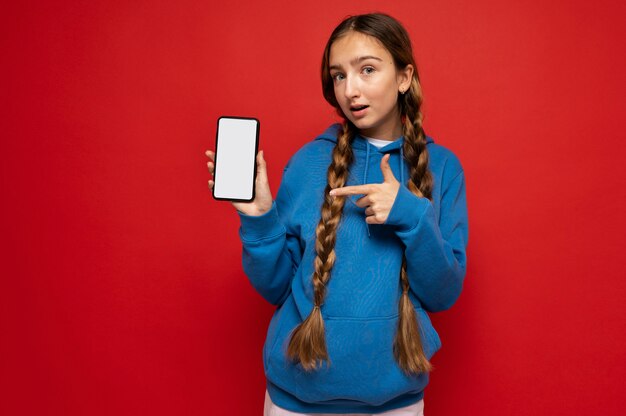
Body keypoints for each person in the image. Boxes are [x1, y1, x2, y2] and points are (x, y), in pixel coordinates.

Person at [205, 13, 468, 416]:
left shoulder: (444, 168)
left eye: (367, 70)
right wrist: (259, 217)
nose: (351, 90)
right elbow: (276, 288)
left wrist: (410, 216)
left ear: (403, 77)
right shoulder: (309, 162)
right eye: (339, 75)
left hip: (395, 403)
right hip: (295, 400)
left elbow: (443, 293)